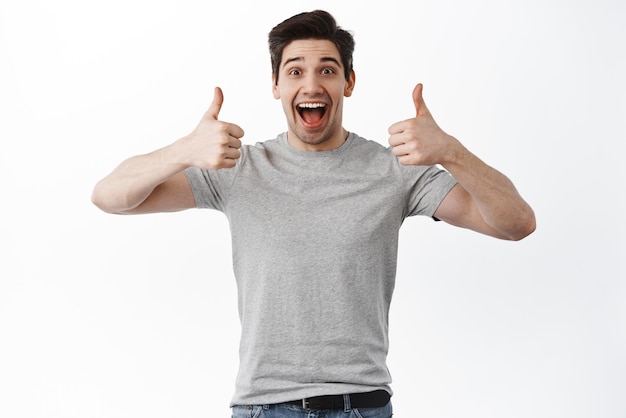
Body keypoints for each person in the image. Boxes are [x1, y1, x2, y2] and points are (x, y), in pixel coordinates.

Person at [92, 9, 535, 418]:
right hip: (263, 407)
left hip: (361, 404)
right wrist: (183, 150)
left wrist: (450, 152)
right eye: (295, 71)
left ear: (349, 82)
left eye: (327, 69)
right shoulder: (239, 168)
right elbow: (110, 197)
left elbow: (516, 223)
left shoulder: (395, 170)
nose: (311, 84)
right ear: (275, 86)